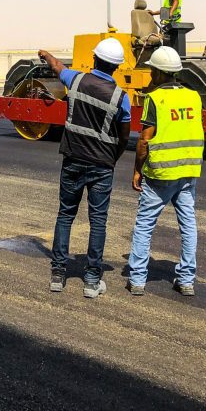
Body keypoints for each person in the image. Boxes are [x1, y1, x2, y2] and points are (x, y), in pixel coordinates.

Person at [38, 37, 131, 299]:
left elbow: (57, 67)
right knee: (98, 221)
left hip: (73, 160)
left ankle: (58, 274)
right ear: (117, 67)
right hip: (102, 164)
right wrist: (113, 158)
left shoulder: (76, 80)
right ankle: (91, 280)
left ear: (94, 59)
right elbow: (124, 136)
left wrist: (46, 54)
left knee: (65, 215)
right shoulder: (120, 98)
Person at [127, 46, 204, 297]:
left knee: (145, 225)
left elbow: (144, 140)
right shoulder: (193, 96)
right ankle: (186, 280)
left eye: (152, 70)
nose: (149, 75)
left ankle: (137, 279)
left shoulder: (154, 98)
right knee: (188, 225)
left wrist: (138, 170)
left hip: (160, 173)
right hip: (189, 170)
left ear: (159, 72)